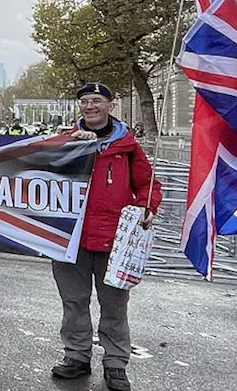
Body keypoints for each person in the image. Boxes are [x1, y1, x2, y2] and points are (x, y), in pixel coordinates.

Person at [50, 83, 162, 391]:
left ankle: (115, 363)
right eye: (84, 101)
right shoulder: (64, 141)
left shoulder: (127, 146)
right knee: (73, 302)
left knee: (114, 306)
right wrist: (72, 145)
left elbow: (148, 184)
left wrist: (146, 207)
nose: (89, 106)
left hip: (115, 241)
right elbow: (38, 175)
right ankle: (76, 356)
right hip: (70, 239)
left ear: (110, 106)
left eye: (96, 101)